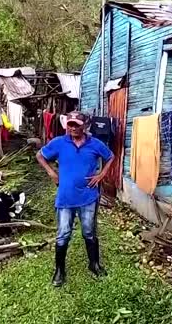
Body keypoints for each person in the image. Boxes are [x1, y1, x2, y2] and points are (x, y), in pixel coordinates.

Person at [36, 111, 114, 287]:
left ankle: (94, 264)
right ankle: (59, 270)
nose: (72, 128)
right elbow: (40, 156)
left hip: (88, 197)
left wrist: (101, 175)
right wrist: (51, 172)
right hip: (65, 198)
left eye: (76, 124)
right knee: (63, 234)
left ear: (85, 125)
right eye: (70, 124)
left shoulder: (95, 144)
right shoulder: (59, 143)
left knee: (89, 232)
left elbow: (110, 157)